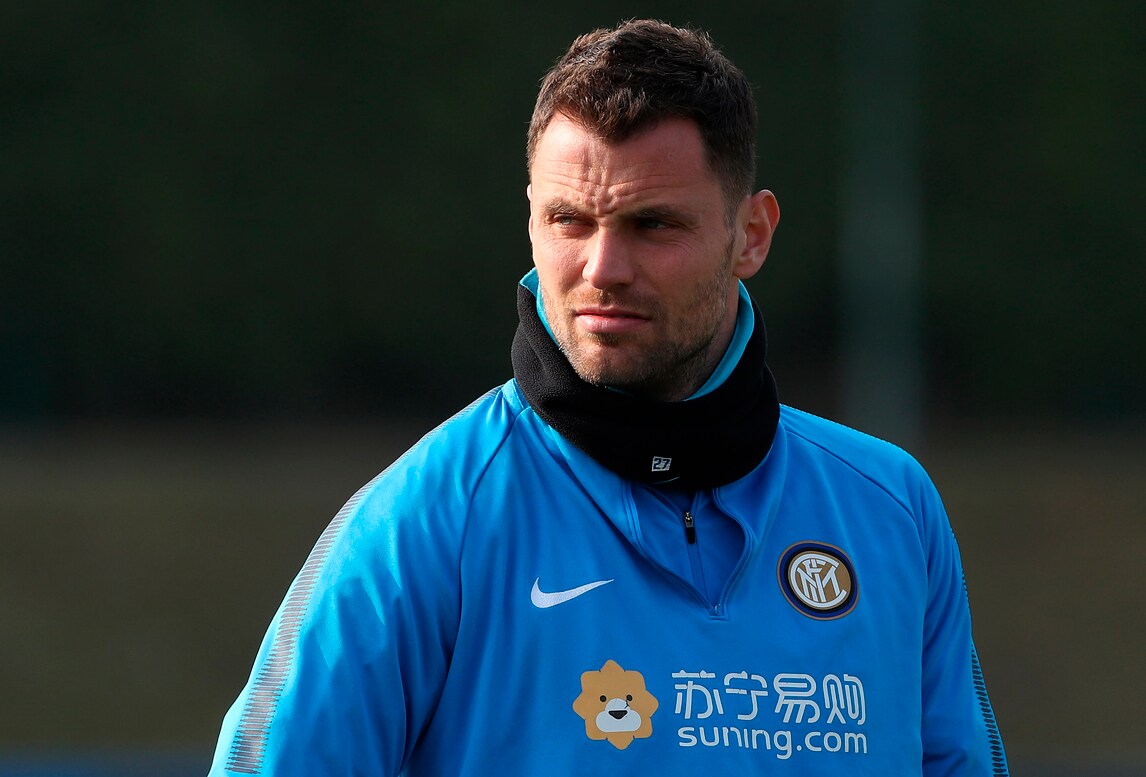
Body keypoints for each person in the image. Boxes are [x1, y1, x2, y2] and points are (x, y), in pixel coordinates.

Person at [208, 19, 1007, 776]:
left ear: (752, 235)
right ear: (530, 219)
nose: (602, 269)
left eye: (652, 225)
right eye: (570, 220)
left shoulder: (891, 510)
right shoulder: (422, 520)